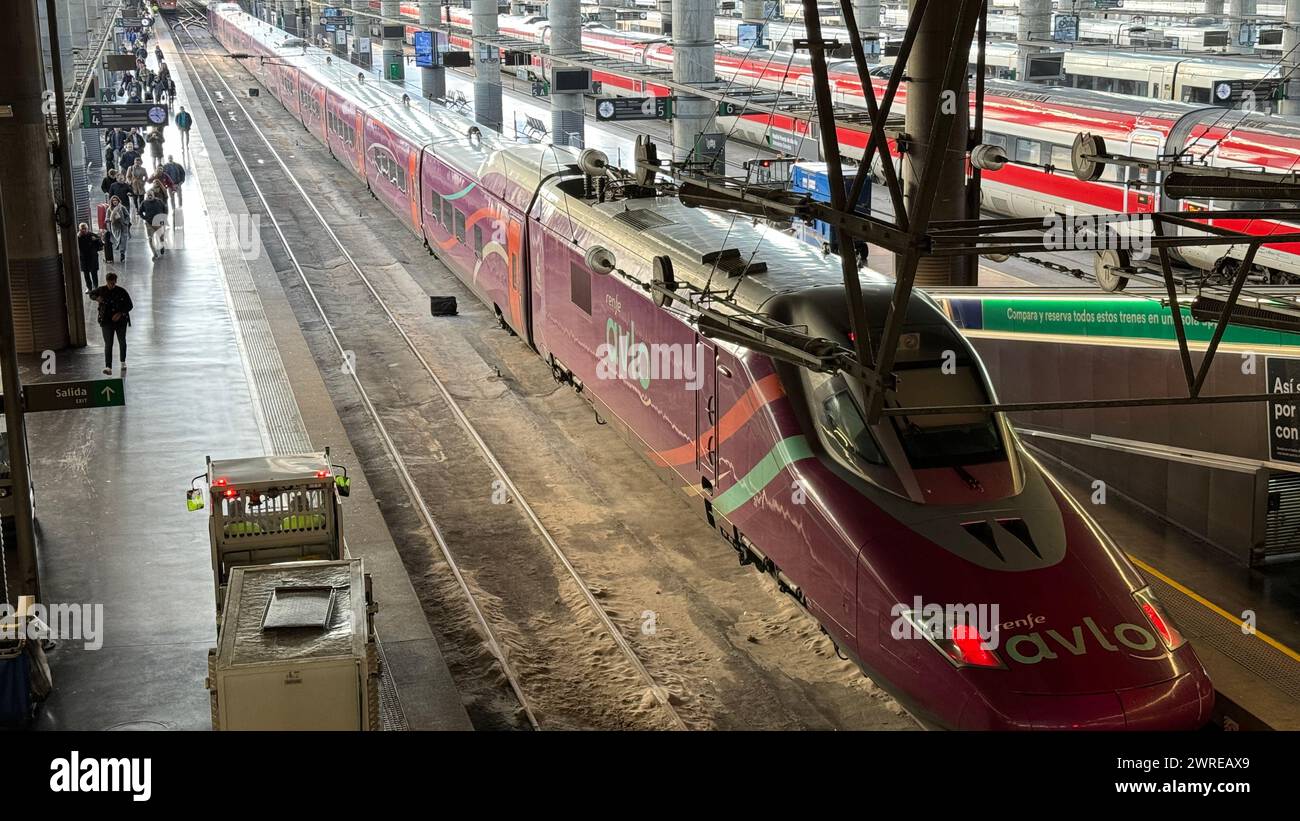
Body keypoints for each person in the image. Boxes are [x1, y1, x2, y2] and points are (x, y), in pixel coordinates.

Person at [91, 274, 133, 376]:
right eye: (110, 283)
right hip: (106, 322)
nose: (112, 285)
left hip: (120, 321)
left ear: (116, 281)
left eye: (114, 283)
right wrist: (96, 298)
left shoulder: (122, 291)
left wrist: (120, 313)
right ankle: (108, 367)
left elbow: (130, 305)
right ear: (107, 281)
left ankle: (123, 362)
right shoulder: (101, 290)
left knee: (122, 341)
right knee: (108, 344)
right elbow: (91, 294)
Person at [139, 191, 168, 260]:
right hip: (149, 224)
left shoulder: (159, 202)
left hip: (159, 223)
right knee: (150, 239)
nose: (149, 196)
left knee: (161, 237)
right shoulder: (144, 203)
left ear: (153, 195)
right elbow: (140, 211)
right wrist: (145, 218)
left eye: (151, 195)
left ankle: (162, 246)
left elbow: (165, 209)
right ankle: (155, 254)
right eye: (148, 195)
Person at [77, 223, 103, 293]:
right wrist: (78, 237)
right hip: (84, 258)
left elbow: (101, 245)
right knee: (86, 274)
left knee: (94, 273)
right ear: (80, 230)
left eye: (85, 229)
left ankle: (96, 287)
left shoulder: (92, 235)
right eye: (82, 229)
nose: (84, 230)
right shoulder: (78, 237)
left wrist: (97, 239)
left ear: (87, 229)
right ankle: (89, 288)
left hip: (92, 258)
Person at [107, 196, 131, 263]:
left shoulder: (122, 208)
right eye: (113, 200)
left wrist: (126, 222)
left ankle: (122, 254)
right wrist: (110, 220)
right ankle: (121, 251)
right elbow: (107, 218)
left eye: (116, 200)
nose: (115, 201)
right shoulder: (109, 209)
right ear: (111, 202)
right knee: (118, 240)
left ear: (118, 201)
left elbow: (127, 216)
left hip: (123, 227)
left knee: (123, 241)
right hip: (115, 228)